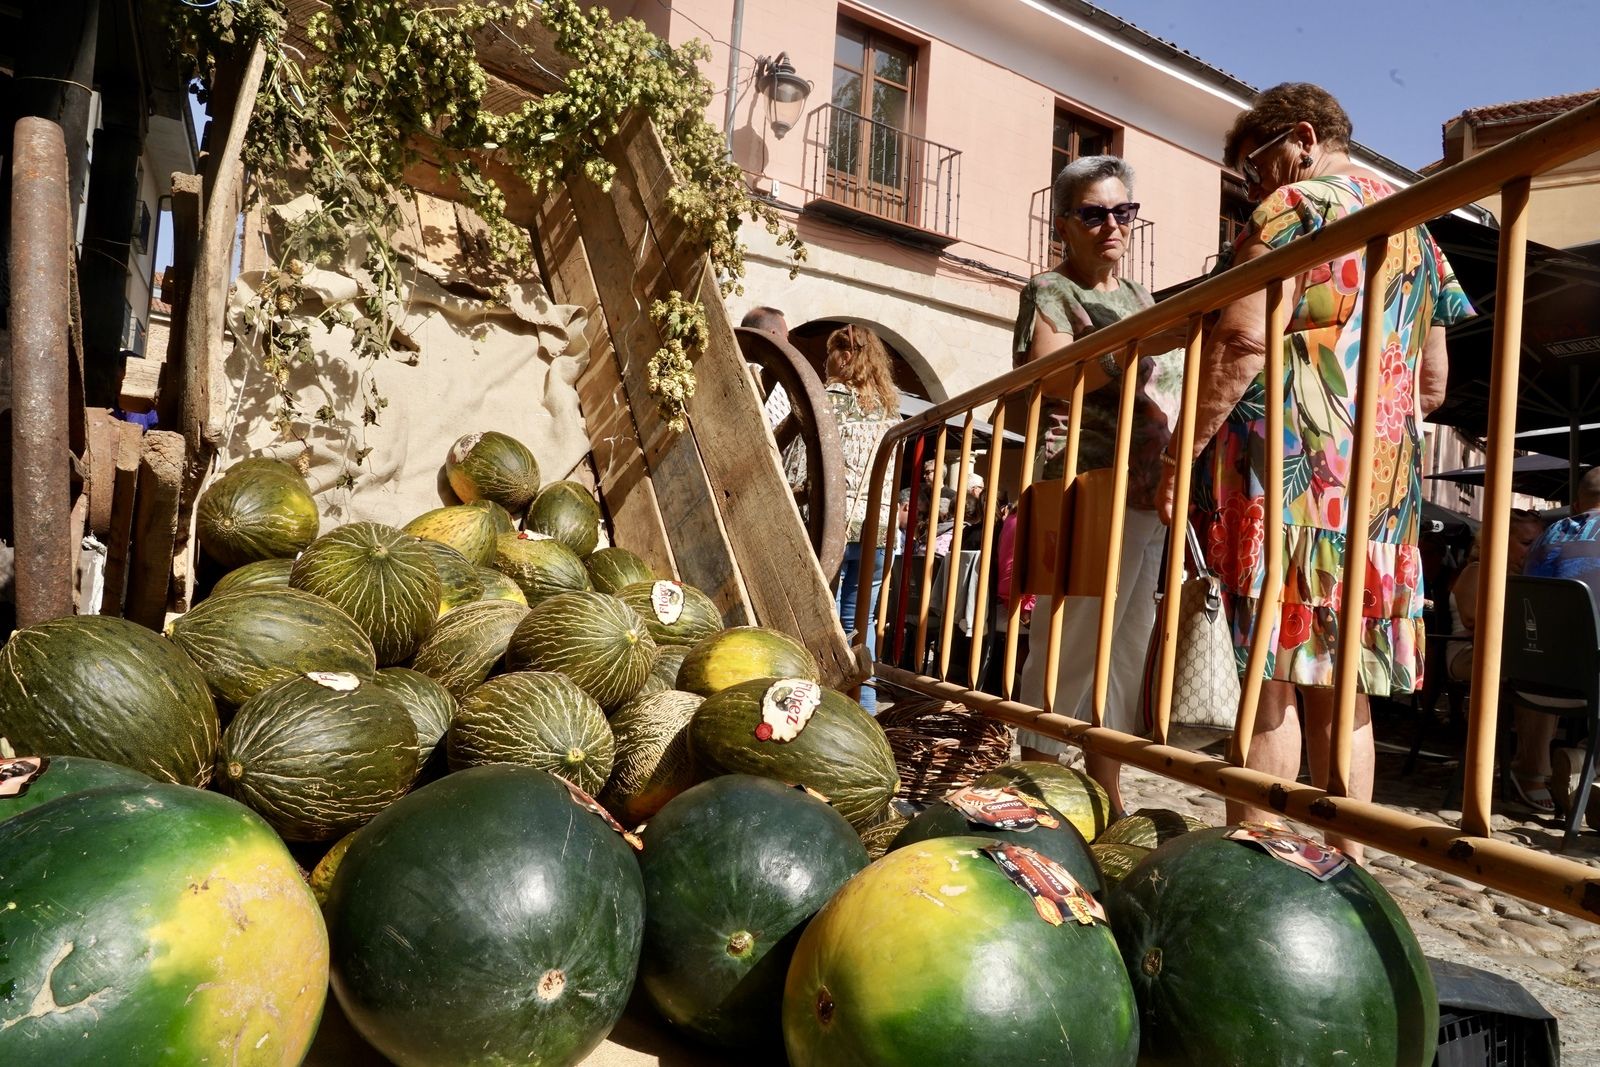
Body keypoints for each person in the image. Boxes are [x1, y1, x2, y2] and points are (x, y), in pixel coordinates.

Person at [1155, 83, 1474, 864]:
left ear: (1300, 139)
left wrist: (1176, 461)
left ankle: (1257, 869)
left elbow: (1242, 345)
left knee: (1270, 679)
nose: (1251, 187)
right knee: (1348, 690)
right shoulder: (1419, 233)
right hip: (1377, 503)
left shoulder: (1292, 209)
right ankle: (1347, 874)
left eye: (1254, 167)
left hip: (1288, 486)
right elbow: (1433, 382)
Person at [1013, 154, 1184, 817]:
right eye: (1094, 213)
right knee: (1070, 636)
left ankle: (1106, 793)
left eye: (1123, 211)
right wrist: (1141, 345)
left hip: (1140, 484)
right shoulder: (1049, 290)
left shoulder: (1138, 295)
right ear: (1066, 224)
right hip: (1080, 478)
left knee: (1125, 642)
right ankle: (1038, 780)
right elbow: (1054, 375)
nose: (1112, 225)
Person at [811, 324, 901, 714]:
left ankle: (818, 713)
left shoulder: (824, 401)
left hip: (831, 529)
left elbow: (799, 469)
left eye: (831, 353)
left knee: (818, 627)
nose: (827, 360)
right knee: (860, 630)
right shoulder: (890, 413)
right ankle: (862, 718)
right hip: (879, 533)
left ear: (844, 356)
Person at [1447, 508, 1552, 810]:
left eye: (1538, 543)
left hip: (1507, 656)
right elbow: (1473, 621)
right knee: (1534, 671)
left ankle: (1545, 765)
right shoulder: (1477, 571)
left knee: (1547, 669)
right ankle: (1531, 771)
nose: (1534, 550)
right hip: (1469, 652)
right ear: (1499, 541)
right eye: (1527, 543)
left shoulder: (1525, 577)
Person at [1521, 469, 1600, 817]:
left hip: (1531, 678)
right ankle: (1589, 764)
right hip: (1589, 684)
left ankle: (1558, 768)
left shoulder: (1544, 537)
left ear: (1576, 503)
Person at [741, 306, 792, 430]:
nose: (788, 343)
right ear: (773, 335)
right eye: (786, 336)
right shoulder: (772, 380)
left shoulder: (734, 367)